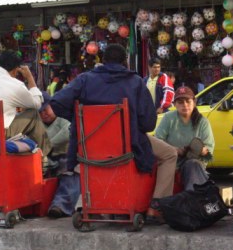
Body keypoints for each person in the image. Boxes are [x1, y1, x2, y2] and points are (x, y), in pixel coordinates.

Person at [51, 44, 177, 223]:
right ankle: (156, 206)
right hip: (127, 143)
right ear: (125, 61)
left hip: (90, 145)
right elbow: (149, 124)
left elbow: (56, 103)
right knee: (170, 153)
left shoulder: (84, 79)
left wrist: (79, 119)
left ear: (102, 61)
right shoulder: (135, 82)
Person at [154, 86, 215, 191]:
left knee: (192, 164)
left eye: (188, 101)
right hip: (171, 163)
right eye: (180, 102)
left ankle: (193, 197)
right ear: (174, 104)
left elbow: (209, 154)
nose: (185, 105)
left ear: (194, 102)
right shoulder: (169, 118)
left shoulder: (202, 122)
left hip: (193, 165)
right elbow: (157, 141)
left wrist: (202, 151)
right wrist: (175, 150)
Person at [38, 91, 80, 219]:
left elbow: (66, 134)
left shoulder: (63, 118)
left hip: (64, 157)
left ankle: (60, 206)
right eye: (40, 112)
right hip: (45, 159)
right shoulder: (37, 124)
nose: (43, 114)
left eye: (46, 109)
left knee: (71, 175)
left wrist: (46, 145)